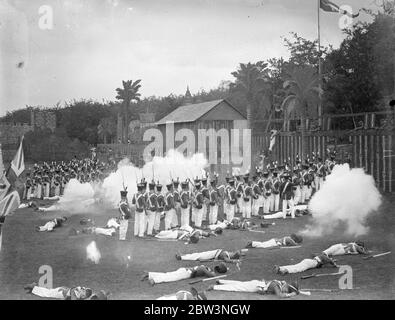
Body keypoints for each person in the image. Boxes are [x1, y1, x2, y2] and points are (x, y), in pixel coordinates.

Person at [141, 263, 227, 286]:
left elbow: (210, 273)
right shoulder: (203, 268)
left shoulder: (204, 267)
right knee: (171, 277)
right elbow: (211, 275)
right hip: (186, 273)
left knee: (169, 274)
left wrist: (215, 271)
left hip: (185, 271)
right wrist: (216, 272)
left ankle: (150, 274)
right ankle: (154, 280)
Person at [207, 279, 300, 298]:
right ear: (286, 286)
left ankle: (221, 280)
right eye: (287, 290)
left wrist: (294, 291)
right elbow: (280, 295)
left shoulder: (281, 283)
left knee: (240, 283)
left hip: (257, 283)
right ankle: (214, 286)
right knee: (237, 287)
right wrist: (290, 294)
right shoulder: (277, 285)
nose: (285, 291)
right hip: (254, 286)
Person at [24, 282, 109, 300]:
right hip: (61, 292)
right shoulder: (76, 291)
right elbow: (72, 296)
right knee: (47, 293)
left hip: (64, 294)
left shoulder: (84, 292)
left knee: (47, 293)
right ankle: (33, 287)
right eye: (83, 295)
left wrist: (104, 294)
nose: (83, 296)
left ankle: (33, 289)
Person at [273, 253, 338, 275]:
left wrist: (324, 262)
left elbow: (313, 255)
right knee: (299, 269)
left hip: (307, 260)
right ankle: (286, 271)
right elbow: (331, 262)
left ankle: (280, 267)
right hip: (311, 263)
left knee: (295, 265)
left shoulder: (319, 255)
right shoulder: (325, 257)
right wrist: (335, 264)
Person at [176, 249, 243, 263]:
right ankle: (183, 256)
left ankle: (181, 257)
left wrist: (235, 261)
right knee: (196, 255)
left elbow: (227, 260)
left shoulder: (225, 255)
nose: (233, 251)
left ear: (233, 255)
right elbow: (239, 252)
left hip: (209, 256)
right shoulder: (227, 254)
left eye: (234, 252)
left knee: (197, 256)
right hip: (210, 253)